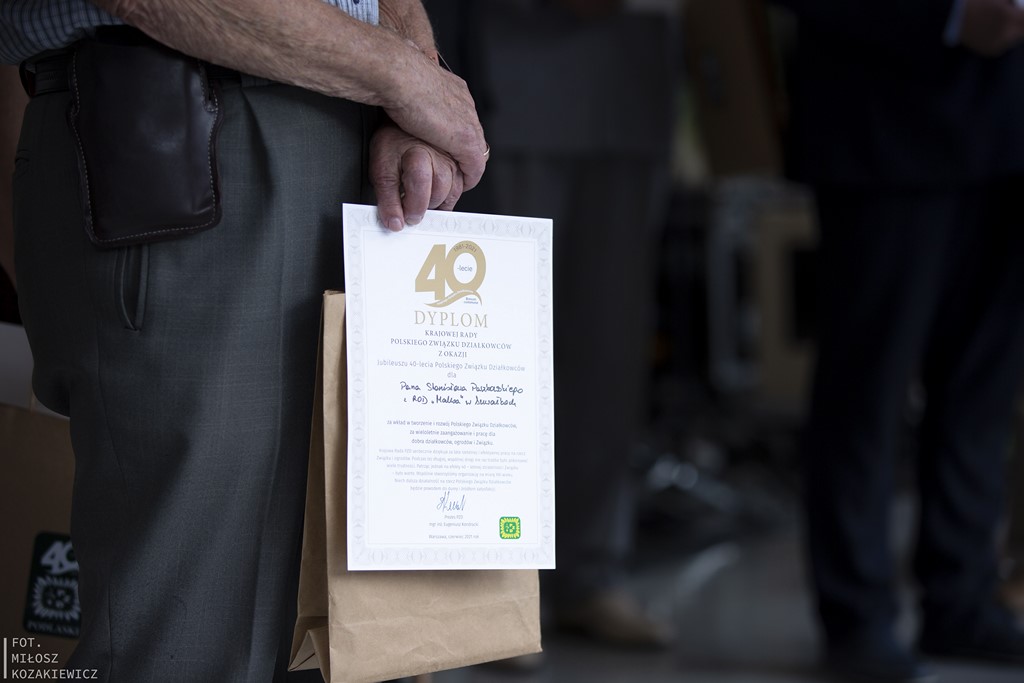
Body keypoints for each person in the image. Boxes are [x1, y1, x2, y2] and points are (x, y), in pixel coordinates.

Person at [0, 1, 487, 680]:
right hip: (194, 118)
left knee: (372, 634)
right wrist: (406, 79)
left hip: (363, 131)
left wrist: (415, 93)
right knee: (195, 641)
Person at [778, 0, 1024, 680]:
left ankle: (962, 597)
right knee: (866, 388)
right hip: (885, 120)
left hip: (1010, 123)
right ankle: (856, 613)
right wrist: (947, 16)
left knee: (984, 390)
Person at [425, 0, 677, 649]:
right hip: (514, 64)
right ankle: (495, 589)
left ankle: (591, 569)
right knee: (499, 354)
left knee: (608, 351)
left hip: (629, 73)